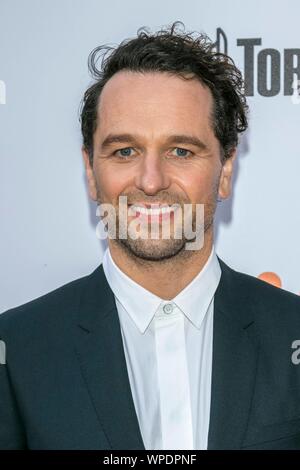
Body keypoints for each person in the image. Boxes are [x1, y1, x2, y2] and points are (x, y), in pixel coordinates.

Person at [0, 22, 300, 450]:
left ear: (226, 170)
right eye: (125, 151)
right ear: (90, 170)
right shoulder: (15, 351)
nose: (151, 180)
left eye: (181, 151)